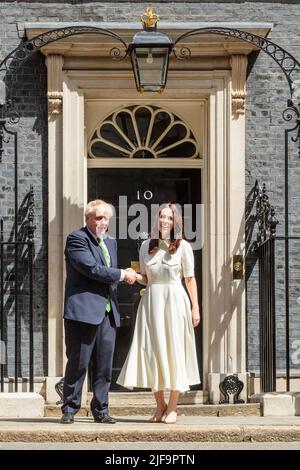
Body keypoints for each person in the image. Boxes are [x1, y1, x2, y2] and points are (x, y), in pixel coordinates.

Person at [117, 202, 200, 424]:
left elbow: (189, 279)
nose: (165, 221)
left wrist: (195, 308)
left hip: (175, 302)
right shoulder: (146, 246)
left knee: (174, 352)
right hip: (151, 302)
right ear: (157, 220)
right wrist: (134, 277)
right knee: (151, 352)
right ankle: (160, 405)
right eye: (162, 217)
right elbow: (146, 277)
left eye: (170, 218)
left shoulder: (183, 247)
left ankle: (173, 407)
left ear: (175, 222)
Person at [61, 199, 136, 424]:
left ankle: (101, 410)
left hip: (107, 312)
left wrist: (124, 275)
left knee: (103, 366)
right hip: (83, 312)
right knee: (78, 363)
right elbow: (91, 269)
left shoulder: (110, 243)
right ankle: (69, 409)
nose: (103, 222)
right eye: (99, 218)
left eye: (106, 218)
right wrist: (123, 274)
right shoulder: (77, 239)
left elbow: (107, 274)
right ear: (88, 219)